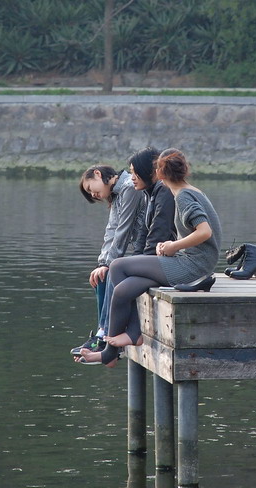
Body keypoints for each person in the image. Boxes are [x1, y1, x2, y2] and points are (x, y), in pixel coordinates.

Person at [77, 149, 222, 367]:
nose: (131, 176)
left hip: (193, 265)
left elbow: (205, 232)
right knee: (123, 289)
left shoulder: (182, 196)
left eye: (135, 172)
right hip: (191, 261)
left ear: (158, 173)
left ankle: (114, 348)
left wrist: (174, 246)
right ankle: (122, 343)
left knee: (117, 266)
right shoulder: (182, 192)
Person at [70, 164, 146, 357]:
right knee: (101, 275)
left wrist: (108, 264)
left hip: (149, 250)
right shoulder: (117, 194)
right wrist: (101, 263)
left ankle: (106, 336)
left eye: (90, 188)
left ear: (98, 174)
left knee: (112, 270)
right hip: (139, 252)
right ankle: (101, 334)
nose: (93, 195)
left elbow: (124, 230)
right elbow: (111, 231)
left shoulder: (130, 187)